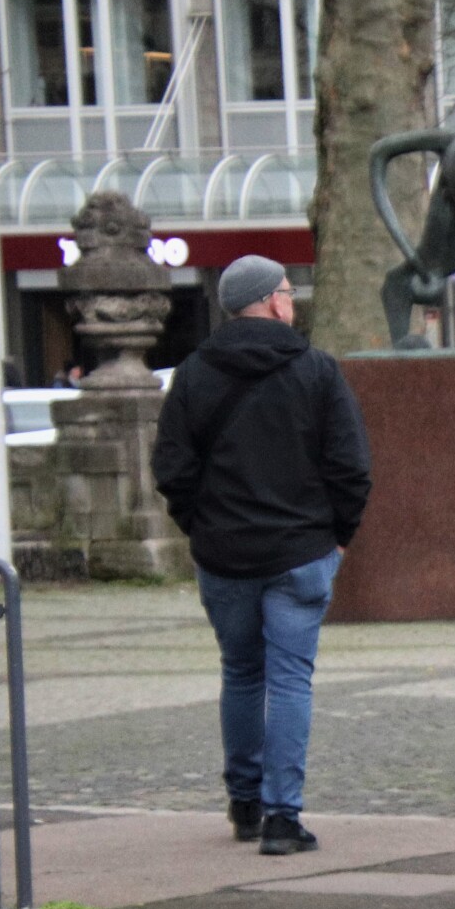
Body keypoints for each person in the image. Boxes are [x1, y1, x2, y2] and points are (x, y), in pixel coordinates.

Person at [152, 258, 372, 855]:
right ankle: (282, 816)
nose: (292, 302)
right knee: (291, 679)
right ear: (272, 302)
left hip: (224, 555)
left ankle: (244, 802)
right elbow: (350, 466)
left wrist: (201, 527)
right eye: (287, 293)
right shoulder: (316, 370)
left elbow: (172, 469)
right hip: (301, 550)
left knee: (241, 673)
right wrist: (339, 535)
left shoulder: (193, 375)